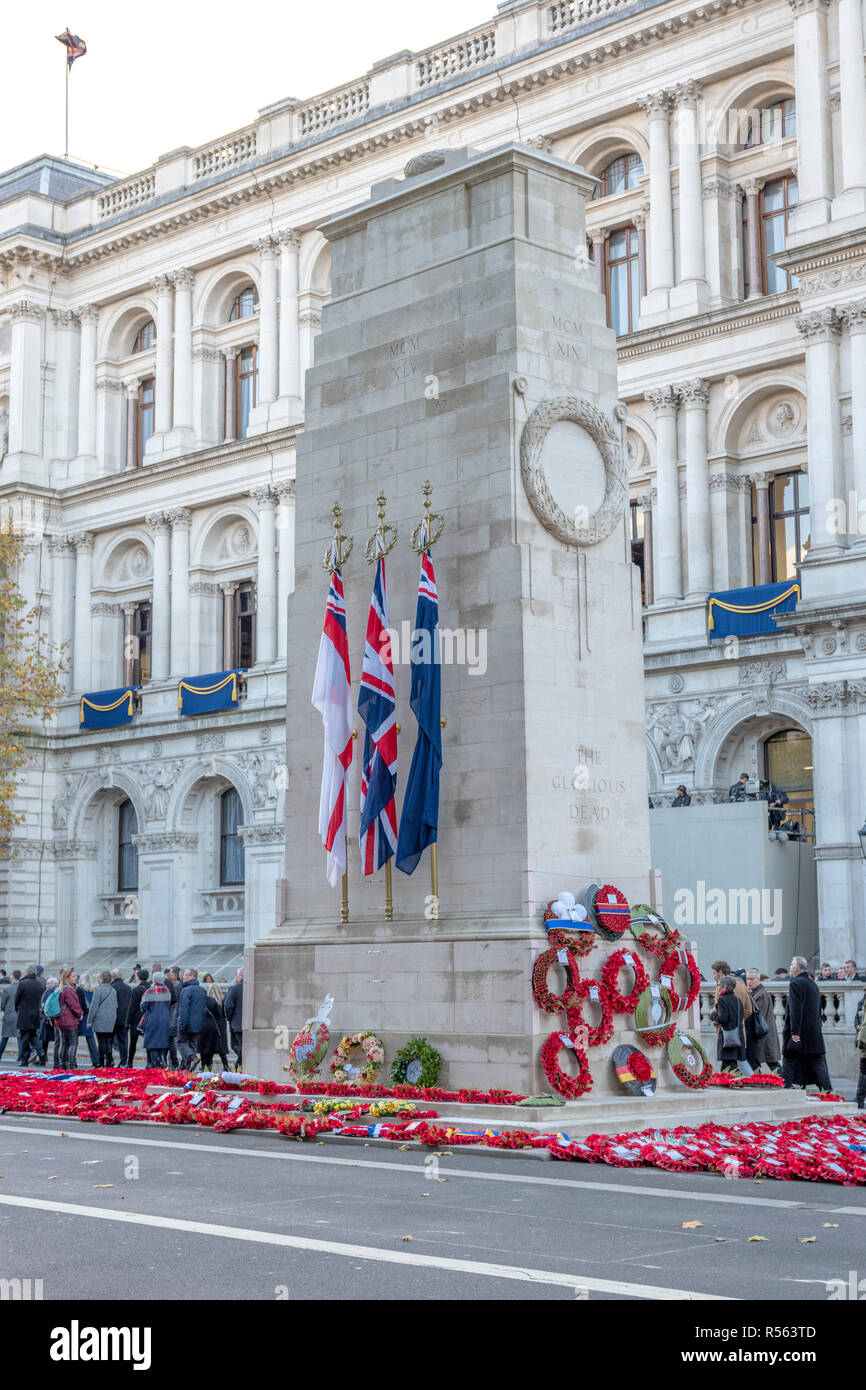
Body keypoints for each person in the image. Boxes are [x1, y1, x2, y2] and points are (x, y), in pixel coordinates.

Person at [781, 955, 833, 1092]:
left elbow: (795, 1010)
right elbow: (818, 1010)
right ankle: (828, 1092)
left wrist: (795, 1033)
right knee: (818, 1062)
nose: (790, 967)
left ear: (797, 968)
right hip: (813, 1032)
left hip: (799, 1033)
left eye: (792, 964)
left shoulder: (795, 983)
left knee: (788, 1062)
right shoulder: (812, 984)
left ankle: (785, 1091)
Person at [709, 975, 754, 1075]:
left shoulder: (722, 1000)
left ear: (724, 987)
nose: (717, 987)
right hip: (737, 1035)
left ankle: (734, 1082)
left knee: (729, 1065)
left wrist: (713, 1014)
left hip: (727, 1037)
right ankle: (726, 1082)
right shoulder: (738, 1001)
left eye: (719, 985)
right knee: (729, 1064)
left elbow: (722, 1019)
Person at [745, 968, 780, 1071]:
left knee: (771, 1063)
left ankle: (785, 1083)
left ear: (758, 979)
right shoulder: (754, 992)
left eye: (752, 979)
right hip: (762, 1035)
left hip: (763, 1035)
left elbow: (758, 1016)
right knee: (757, 1062)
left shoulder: (761, 994)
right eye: (747, 979)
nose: (749, 982)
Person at [140, 972, 172, 1068]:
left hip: (152, 1020)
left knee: (152, 1043)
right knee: (163, 1041)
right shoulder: (167, 991)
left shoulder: (149, 991)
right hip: (165, 1020)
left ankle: (156, 1061)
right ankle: (163, 1058)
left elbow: (143, 1008)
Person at [14, 965, 45, 1066]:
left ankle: (24, 1060)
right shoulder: (39, 984)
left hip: (24, 1014)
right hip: (35, 1014)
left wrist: (16, 1008)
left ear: (27, 972)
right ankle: (42, 1055)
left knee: (24, 1038)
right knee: (34, 1037)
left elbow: (17, 998)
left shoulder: (22, 983)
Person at [87, 971, 118, 1068]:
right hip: (111, 1019)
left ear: (102, 979)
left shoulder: (98, 990)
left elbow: (93, 1007)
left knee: (101, 1041)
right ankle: (109, 1060)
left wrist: (89, 1020)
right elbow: (116, 1006)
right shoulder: (113, 991)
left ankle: (101, 1061)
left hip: (100, 1019)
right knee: (108, 1041)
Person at [178, 968, 207, 1070]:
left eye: (185, 975)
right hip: (198, 1023)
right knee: (192, 1043)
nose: (183, 977)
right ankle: (190, 1067)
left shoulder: (186, 990)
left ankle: (192, 1058)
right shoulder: (202, 990)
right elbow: (204, 1009)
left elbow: (184, 1009)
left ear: (192, 977)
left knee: (181, 1042)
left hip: (187, 1023)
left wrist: (182, 1025)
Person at [56, 968, 83, 1070]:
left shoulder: (61, 988)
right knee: (73, 1043)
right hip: (69, 1020)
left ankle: (62, 1064)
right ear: (67, 978)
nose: (76, 978)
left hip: (61, 1020)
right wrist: (80, 1013)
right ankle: (71, 1065)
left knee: (64, 1043)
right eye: (73, 976)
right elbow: (74, 1005)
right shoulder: (68, 990)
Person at [710, 960, 752, 1025]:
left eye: (714, 973)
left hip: (725, 1031)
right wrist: (737, 1021)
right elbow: (748, 1010)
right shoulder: (742, 985)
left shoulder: (720, 987)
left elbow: (720, 1014)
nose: (714, 976)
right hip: (739, 1029)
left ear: (720, 972)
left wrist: (713, 1014)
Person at [201, 984, 230, 1072]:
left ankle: (207, 1066)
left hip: (210, 1026)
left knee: (208, 1048)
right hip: (221, 1026)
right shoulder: (223, 1001)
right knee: (222, 1049)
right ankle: (226, 1066)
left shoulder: (208, 1001)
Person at [126, 968, 150, 1067]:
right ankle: (149, 1062)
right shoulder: (150, 988)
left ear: (139, 977)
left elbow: (132, 1007)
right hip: (147, 1018)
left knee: (133, 1042)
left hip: (136, 1019)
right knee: (148, 1041)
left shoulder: (136, 989)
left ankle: (130, 1062)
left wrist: (127, 1021)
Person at [223, 969, 244, 1070]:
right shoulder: (253, 987)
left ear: (240, 976)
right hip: (248, 1024)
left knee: (236, 1045)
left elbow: (228, 1005)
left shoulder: (235, 989)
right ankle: (240, 1065)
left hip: (237, 1024)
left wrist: (229, 1017)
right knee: (243, 1047)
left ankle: (238, 1066)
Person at [110, 969, 132, 1065]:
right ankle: (123, 1061)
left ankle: (110, 1060)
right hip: (125, 1018)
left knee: (109, 1041)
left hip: (113, 1019)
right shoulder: (128, 988)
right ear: (121, 975)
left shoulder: (112, 987)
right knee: (123, 1041)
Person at [77, 976, 99, 1068]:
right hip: (90, 1017)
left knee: (74, 1040)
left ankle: (71, 1061)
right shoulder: (93, 991)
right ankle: (96, 1060)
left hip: (81, 1016)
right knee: (90, 1039)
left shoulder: (79, 990)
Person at [0, 970, 21, 1063]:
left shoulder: (7, 989)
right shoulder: (21, 988)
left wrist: (6, 1010)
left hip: (9, 1015)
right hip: (19, 1015)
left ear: (12, 977)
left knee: (5, 1037)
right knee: (20, 1038)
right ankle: (21, 1057)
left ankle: (0, 1055)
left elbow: (2, 1004)